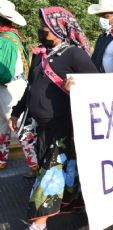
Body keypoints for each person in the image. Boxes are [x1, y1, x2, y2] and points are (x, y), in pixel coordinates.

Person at [8, 7, 98, 230]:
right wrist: (17, 112)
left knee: (52, 170)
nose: (41, 30)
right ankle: (86, 206)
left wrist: (77, 87)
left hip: (63, 124)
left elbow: (97, 86)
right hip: (43, 125)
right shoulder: (40, 54)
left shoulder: (74, 54)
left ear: (58, 27)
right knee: (61, 169)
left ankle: (39, 222)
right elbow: (31, 88)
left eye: (44, 26)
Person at [0, 0, 39, 178]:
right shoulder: (9, 37)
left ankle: (36, 166)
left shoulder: (6, 41)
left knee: (20, 126)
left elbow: (4, 72)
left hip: (10, 88)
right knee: (3, 126)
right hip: (9, 88)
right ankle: (2, 159)